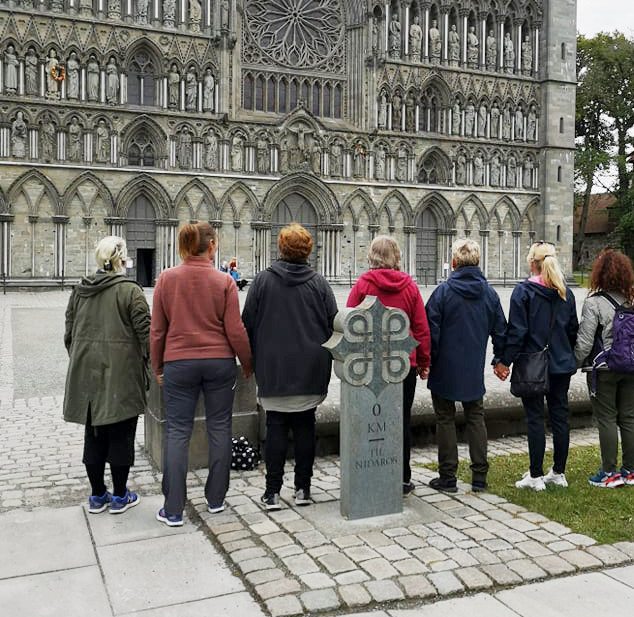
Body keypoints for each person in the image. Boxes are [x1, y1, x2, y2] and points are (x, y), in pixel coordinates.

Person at [150, 222, 252, 526]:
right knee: (220, 427)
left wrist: (158, 366)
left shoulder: (166, 279)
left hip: (179, 363)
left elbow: (157, 331)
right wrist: (246, 363)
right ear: (211, 246)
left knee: (177, 431)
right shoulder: (224, 282)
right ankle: (217, 499)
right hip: (219, 362)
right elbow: (236, 329)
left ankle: (173, 509)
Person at [242, 224, 337, 510]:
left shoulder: (262, 281)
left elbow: (246, 322)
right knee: (305, 426)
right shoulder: (319, 283)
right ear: (308, 251)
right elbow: (335, 323)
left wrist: (254, 357)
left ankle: (272, 493)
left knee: (276, 427)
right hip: (310, 369)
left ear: (280, 248)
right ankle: (303, 490)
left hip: (274, 369)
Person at [63, 237, 150, 515]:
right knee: (121, 435)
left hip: (87, 374)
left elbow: (69, 334)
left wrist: (84, 360)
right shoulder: (131, 291)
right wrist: (145, 366)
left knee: (94, 434)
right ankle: (120, 496)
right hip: (122, 374)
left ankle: (97, 495)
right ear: (122, 260)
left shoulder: (79, 291)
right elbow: (147, 335)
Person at [347, 235, 431, 495]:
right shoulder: (410, 287)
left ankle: (369, 473)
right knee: (400, 421)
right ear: (396, 257)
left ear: (372, 256)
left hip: (371, 366)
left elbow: (349, 321)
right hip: (401, 365)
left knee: (369, 419)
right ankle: (402, 478)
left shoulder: (363, 285)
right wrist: (424, 361)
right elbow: (421, 328)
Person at [425, 239, 507, 493]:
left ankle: (448, 476)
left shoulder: (443, 292)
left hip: (445, 368)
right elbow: (501, 331)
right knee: (475, 418)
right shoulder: (490, 294)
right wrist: (500, 360)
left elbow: (430, 331)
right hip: (472, 367)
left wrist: (428, 360)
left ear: (454, 263)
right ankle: (479, 476)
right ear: (478, 262)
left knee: (445, 419)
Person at [496, 242, 578, 491]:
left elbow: (517, 332)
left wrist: (503, 360)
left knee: (535, 418)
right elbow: (573, 328)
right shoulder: (567, 293)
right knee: (560, 417)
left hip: (533, 364)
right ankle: (558, 472)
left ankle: (535, 475)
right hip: (561, 364)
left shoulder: (524, 292)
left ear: (532, 263)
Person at [574, 249, 634, 488]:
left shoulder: (594, 303)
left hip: (605, 368)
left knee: (606, 418)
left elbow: (584, 342)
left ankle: (609, 472)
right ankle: (632, 470)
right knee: (629, 416)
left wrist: (574, 363)